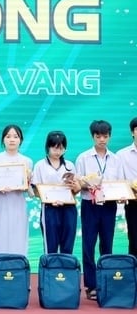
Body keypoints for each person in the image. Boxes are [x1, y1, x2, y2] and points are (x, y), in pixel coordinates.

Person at [75, 120, 123, 301]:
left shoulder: (116, 159)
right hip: (90, 205)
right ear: (92, 136)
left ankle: (106, 282)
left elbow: (119, 182)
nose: (102, 139)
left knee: (107, 246)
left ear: (110, 136)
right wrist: (87, 184)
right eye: (98, 136)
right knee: (88, 245)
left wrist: (121, 194)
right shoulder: (83, 158)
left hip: (109, 205)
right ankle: (91, 285)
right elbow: (77, 184)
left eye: (105, 136)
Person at [31, 131, 80, 255]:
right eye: (55, 147)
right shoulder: (40, 166)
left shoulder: (70, 165)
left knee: (68, 246)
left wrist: (75, 187)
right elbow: (36, 191)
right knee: (50, 247)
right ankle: (50, 274)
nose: (58, 151)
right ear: (48, 147)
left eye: (61, 148)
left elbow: (76, 190)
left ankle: (67, 273)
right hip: (49, 209)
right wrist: (50, 199)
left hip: (68, 209)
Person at [0, 124, 33, 257]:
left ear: (20, 140)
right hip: (0, 202)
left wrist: (28, 182)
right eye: (8, 136)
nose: (12, 139)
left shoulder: (27, 161)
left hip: (18, 202)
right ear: (3, 140)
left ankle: (18, 272)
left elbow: (29, 188)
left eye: (15, 136)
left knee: (18, 235)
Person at [118, 117, 137, 258]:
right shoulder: (121, 155)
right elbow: (119, 181)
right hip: (133, 204)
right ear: (132, 132)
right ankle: (134, 276)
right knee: (135, 240)